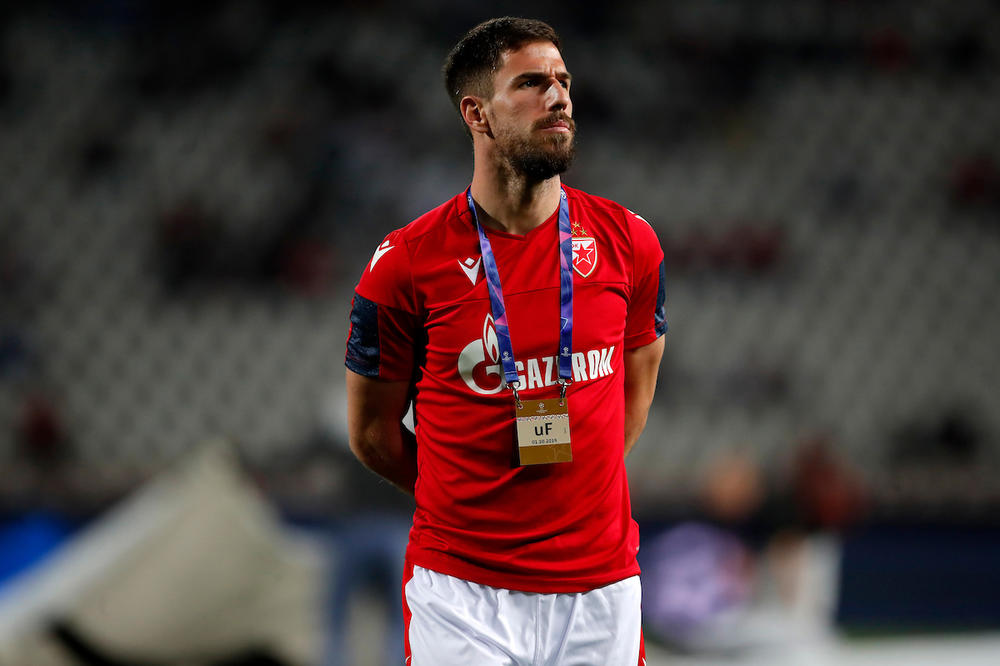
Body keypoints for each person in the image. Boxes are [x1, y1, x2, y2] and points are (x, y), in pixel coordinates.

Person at [344, 17, 666, 666]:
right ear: (477, 114)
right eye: (531, 83)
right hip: (462, 591)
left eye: (563, 80)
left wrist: (571, 494)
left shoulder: (630, 243)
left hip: (600, 590)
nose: (559, 96)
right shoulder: (405, 265)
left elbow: (636, 390)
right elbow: (372, 432)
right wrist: (466, 498)